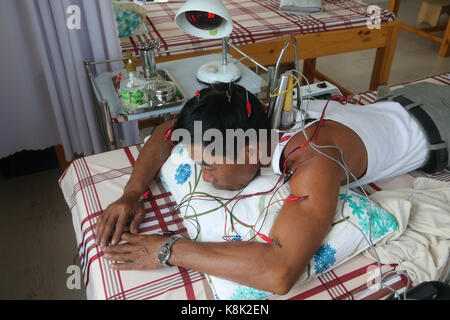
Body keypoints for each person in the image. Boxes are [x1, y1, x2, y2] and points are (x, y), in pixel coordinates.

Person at [95, 83, 432, 295]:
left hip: (435, 120)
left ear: (250, 151)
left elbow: (280, 271)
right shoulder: (248, 119)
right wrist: (132, 193)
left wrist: (167, 249)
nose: (206, 178)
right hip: (398, 102)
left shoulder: (313, 159)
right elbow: (164, 133)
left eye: (209, 166)